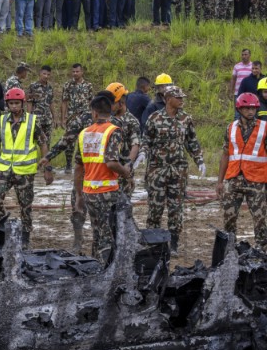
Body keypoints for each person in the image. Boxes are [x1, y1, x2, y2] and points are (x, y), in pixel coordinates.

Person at [0, 87, 52, 248]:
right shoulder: (3, 120)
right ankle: (2, 230)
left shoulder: (33, 121)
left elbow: (43, 144)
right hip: (5, 169)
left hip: (25, 172)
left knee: (25, 205)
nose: (14, 106)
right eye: (11, 103)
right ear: (7, 104)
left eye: (17, 103)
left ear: (23, 103)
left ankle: (25, 237)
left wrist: (47, 167)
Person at [136, 85, 205, 255]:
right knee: (155, 208)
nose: (182, 100)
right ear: (168, 99)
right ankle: (153, 244)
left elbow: (192, 141)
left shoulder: (186, 119)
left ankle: (173, 244)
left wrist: (199, 160)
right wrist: (143, 153)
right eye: (178, 97)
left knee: (176, 209)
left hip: (178, 171)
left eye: (182, 97)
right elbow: (146, 139)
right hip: (157, 170)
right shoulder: (155, 118)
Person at [74, 94, 130, 264]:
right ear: (110, 112)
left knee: (97, 233)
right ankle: (104, 271)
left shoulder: (84, 133)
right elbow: (112, 163)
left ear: (94, 113)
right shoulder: (113, 131)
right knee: (107, 236)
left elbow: (78, 168)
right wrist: (126, 172)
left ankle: (94, 266)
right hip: (107, 192)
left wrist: (78, 196)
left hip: (89, 192)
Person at [216, 92, 267, 251]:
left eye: (253, 108)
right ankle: (230, 251)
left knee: (260, 220)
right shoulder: (230, 128)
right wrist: (220, 181)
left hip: (257, 181)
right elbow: (226, 154)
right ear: (239, 108)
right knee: (229, 218)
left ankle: (262, 251)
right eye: (247, 108)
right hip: (233, 180)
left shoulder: (265, 128)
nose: (251, 111)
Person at [60, 63, 93, 171]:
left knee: (85, 141)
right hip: (72, 117)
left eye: (77, 71)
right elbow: (64, 102)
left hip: (85, 116)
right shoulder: (68, 85)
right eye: (73, 72)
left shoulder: (88, 85)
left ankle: (84, 164)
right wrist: (63, 118)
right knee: (69, 141)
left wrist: (93, 117)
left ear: (82, 72)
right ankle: (69, 164)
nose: (75, 73)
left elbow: (91, 101)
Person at [27, 65, 56, 144]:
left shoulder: (50, 87)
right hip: (36, 119)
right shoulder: (33, 86)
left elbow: (51, 102)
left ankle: (45, 156)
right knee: (34, 140)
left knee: (47, 141)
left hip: (47, 119)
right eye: (44, 74)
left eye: (48, 74)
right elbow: (29, 102)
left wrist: (54, 117)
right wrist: (29, 117)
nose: (46, 76)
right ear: (40, 73)